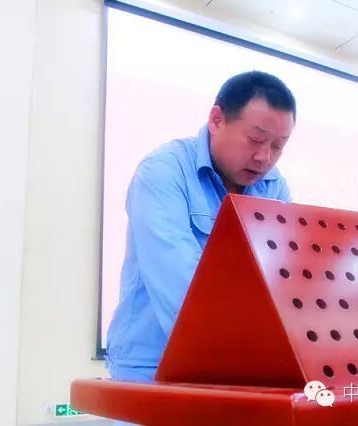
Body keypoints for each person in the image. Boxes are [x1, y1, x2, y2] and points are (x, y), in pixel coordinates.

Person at [104, 70, 296, 382]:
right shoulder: (163, 172)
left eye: (278, 146)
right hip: (151, 366)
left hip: (235, 364)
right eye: (255, 140)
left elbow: (283, 279)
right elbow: (181, 290)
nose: (264, 158)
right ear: (217, 120)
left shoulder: (273, 186)